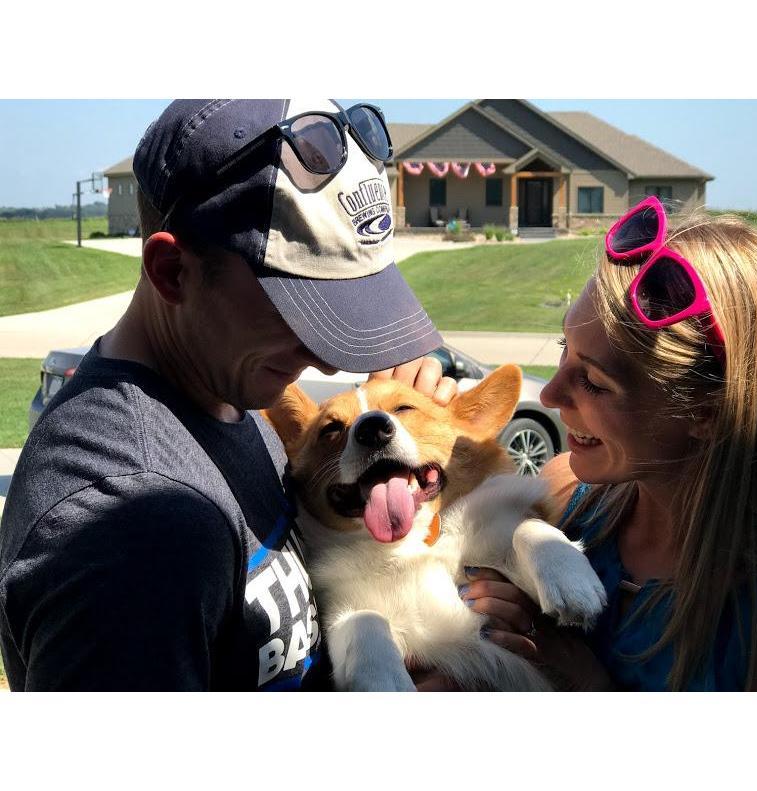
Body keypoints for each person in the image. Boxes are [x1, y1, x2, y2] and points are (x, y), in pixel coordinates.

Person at [0, 100, 534, 691]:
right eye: (297, 308)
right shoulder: (136, 523)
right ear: (172, 271)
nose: (328, 358)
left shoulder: (238, 399)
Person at [518, 198, 757, 691]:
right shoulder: (559, 496)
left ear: (706, 412)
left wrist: (587, 686)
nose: (550, 394)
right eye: (564, 349)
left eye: (595, 382)